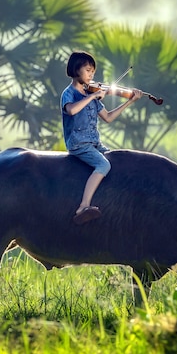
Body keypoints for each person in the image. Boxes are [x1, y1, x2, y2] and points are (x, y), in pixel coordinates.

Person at [61, 51, 142, 225]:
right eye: (88, 70)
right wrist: (91, 97)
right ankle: (83, 206)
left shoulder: (92, 93)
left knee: (117, 159)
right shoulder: (70, 94)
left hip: (95, 143)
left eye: (93, 71)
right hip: (79, 144)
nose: (92, 75)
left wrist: (129, 101)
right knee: (103, 164)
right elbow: (71, 110)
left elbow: (108, 117)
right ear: (76, 70)